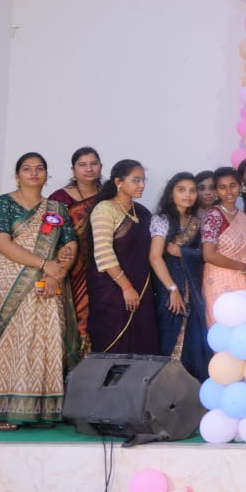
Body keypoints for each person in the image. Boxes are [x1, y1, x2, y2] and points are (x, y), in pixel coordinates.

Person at [0, 153, 79, 429]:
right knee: (14, 341)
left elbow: (69, 243)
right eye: (27, 169)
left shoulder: (56, 208)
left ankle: (43, 410)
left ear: (46, 175)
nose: (33, 173)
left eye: (39, 168)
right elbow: (1, 242)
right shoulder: (3, 203)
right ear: (17, 175)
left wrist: (57, 272)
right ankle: (10, 411)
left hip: (49, 282)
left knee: (47, 340)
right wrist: (44, 265)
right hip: (11, 280)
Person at [88, 160, 158, 355]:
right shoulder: (105, 208)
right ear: (119, 181)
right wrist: (126, 287)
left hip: (141, 288)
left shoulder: (142, 212)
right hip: (112, 289)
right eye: (136, 180)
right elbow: (103, 252)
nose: (142, 185)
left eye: (143, 180)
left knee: (142, 339)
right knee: (113, 341)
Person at [148, 172, 208, 383]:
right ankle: (167, 389)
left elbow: (204, 256)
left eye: (192, 190)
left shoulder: (197, 222)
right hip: (168, 286)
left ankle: (191, 390)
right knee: (170, 333)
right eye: (181, 190)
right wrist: (173, 289)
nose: (188, 195)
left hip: (194, 289)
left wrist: (183, 252)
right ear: (171, 192)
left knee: (194, 339)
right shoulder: (162, 220)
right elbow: (155, 258)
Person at [48, 147, 101, 349]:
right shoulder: (60, 197)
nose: (89, 169)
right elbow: (48, 233)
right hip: (68, 265)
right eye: (82, 164)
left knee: (96, 314)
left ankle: (91, 359)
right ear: (73, 169)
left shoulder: (109, 196)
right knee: (69, 314)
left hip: (99, 266)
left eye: (93, 164)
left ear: (100, 166)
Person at [201, 167, 246, 328]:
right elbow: (208, 255)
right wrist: (242, 267)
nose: (229, 191)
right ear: (216, 191)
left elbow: (243, 251)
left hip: (242, 278)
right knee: (223, 327)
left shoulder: (242, 216)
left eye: (233, 185)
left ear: (240, 186)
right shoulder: (213, 216)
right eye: (222, 187)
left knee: (243, 326)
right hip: (218, 279)